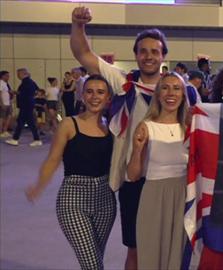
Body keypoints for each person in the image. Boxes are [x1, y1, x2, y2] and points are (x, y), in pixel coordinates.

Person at [70, 6, 168, 270]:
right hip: (133, 180)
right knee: (135, 249)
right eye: (143, 51)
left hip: (169, 181)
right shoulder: (123, 82)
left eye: (154, 51)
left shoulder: (178, 90)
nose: (149, 56)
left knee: (166, 246)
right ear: (136, 55)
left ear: (163, 56)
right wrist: (78, 26)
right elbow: (83, 54)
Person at [25, 75, 116, 270]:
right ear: (82, 95)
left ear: (108, 98)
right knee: (92, 265)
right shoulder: (68, 124)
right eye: (89, 91)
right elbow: (53, 159)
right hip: (73, 200)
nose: (94, 97)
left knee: (94, 260)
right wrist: (38, 186)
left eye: (100, 92)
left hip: (105, 201)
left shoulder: (111, 126)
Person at [126, 72, 188, 270]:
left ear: (183, 95)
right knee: (152, 254)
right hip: (154, 195)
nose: (171, 93)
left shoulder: (190, 127)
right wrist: (137, 149)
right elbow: (133, 175)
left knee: (178, 256)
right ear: (158, 94)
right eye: (165, 87)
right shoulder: (146, 126)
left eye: (176, 88)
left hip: (183, 196)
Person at [5, 68, 42, 147]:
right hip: (28, 104)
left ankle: (35, 139)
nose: (17, 76)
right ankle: (17, 139)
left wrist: (16, 92)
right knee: (25, 122)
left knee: (25, 122)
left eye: (18, 74)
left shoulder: (26, 82)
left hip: (26, 104)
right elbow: (37, 90)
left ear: (23, 74)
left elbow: (23, 93)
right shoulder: (31, 81)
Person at [0, 70, 13, 137]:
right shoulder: (1, 83)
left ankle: (5, 131)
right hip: (3, 103)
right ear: (2, 76)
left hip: (8, 103)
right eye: (7, 76)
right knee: (2, 117)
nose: (8, 77)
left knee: (9, 116)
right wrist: (1, 103)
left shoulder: (5, 83)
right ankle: (1, 132)